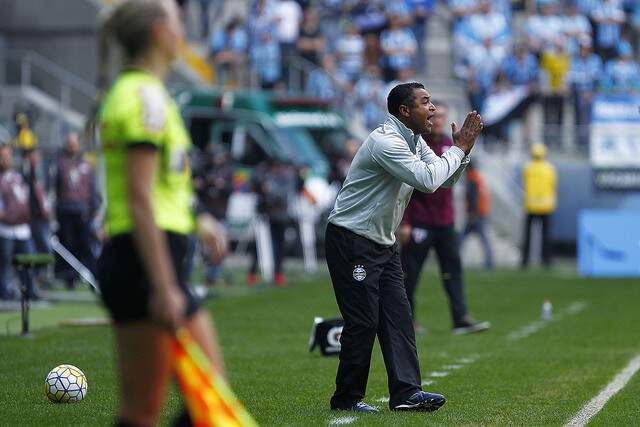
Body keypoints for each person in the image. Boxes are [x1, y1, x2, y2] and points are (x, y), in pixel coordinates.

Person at [94, 1, 227, 425]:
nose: (182, 28)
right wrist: (163, 284)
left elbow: (158, 187)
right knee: (148, 410)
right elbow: (138, 196)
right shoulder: (142, 97)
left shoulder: (150, 94)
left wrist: (196, 221)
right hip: (141, 262)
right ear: (158, 31)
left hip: (153, 255)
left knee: (188, 402)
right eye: (177, 19)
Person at [326, 82, 483, 413]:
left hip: (382, 241)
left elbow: (441, 181)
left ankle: (407, 394)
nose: (433, 109)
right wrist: (457, 151)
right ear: (404, 111)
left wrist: (462, 153)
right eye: (425, 102)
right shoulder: (387, 142)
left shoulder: (415, 140)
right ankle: (347, 398)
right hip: (351, 239)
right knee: (364, 321)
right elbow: (427, 180)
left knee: (398, 316)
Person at [398, 103, 490, 336]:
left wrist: (465, 150)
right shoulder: (416, 146)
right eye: (434, 115)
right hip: (419, 220)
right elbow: (405, 186)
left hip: (445, 221)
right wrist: (405, 222)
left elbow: (454, 180)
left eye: (442, 116)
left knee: (453, 271)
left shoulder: (451, 145)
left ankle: (461, 318)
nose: (438, 120)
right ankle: (407, 320)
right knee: (409, 274)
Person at [54, 132, 100, 289]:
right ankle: (69, 279)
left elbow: (92, 188)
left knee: (87, 246)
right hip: (66, 211)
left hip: (83, 212)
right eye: (69, 143)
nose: (72, 146)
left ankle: (92, 276)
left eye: (74, 143)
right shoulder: (60, 164)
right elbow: (55, 188)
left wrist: (94, 208)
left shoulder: (86, 164)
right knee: (68, 246)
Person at [0, 144, 38, 301]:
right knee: (6, 265)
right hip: (5, 229)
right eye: (3, 156)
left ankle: (30, 290)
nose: (6, 159)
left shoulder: (18, 176)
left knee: (28, 261)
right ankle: (5, 291)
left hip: (22, 228)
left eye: (8, 156)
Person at [521, 143, 557, 269]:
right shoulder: (550, 169)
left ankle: (524, 261)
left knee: (527, 236)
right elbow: (553, 186)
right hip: (546, 206)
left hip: (531, 205)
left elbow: (525, 185)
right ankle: (546, 260)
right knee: (546, 236)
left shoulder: (528, 168)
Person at [461, 160, 493, 270]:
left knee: (462, 238)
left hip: (475, 214)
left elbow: (473, 197)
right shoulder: (479, 177)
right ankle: (489, 263)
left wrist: (472, 213)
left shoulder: (472, 179)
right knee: (483, 239)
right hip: (481, 212)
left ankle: (455, 260)